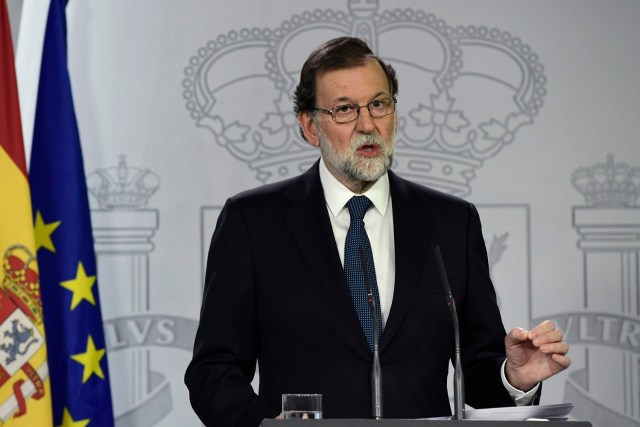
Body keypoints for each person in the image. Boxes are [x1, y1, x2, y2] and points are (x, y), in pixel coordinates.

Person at [185, 36, 571, 427]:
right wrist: (266, 425)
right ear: (310, 126)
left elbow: (477, 370)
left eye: (379, 104)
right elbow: (213, 372)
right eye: (345, 110)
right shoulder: (253, 223)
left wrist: (513, 377)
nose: (368, 124)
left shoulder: (451, 222)